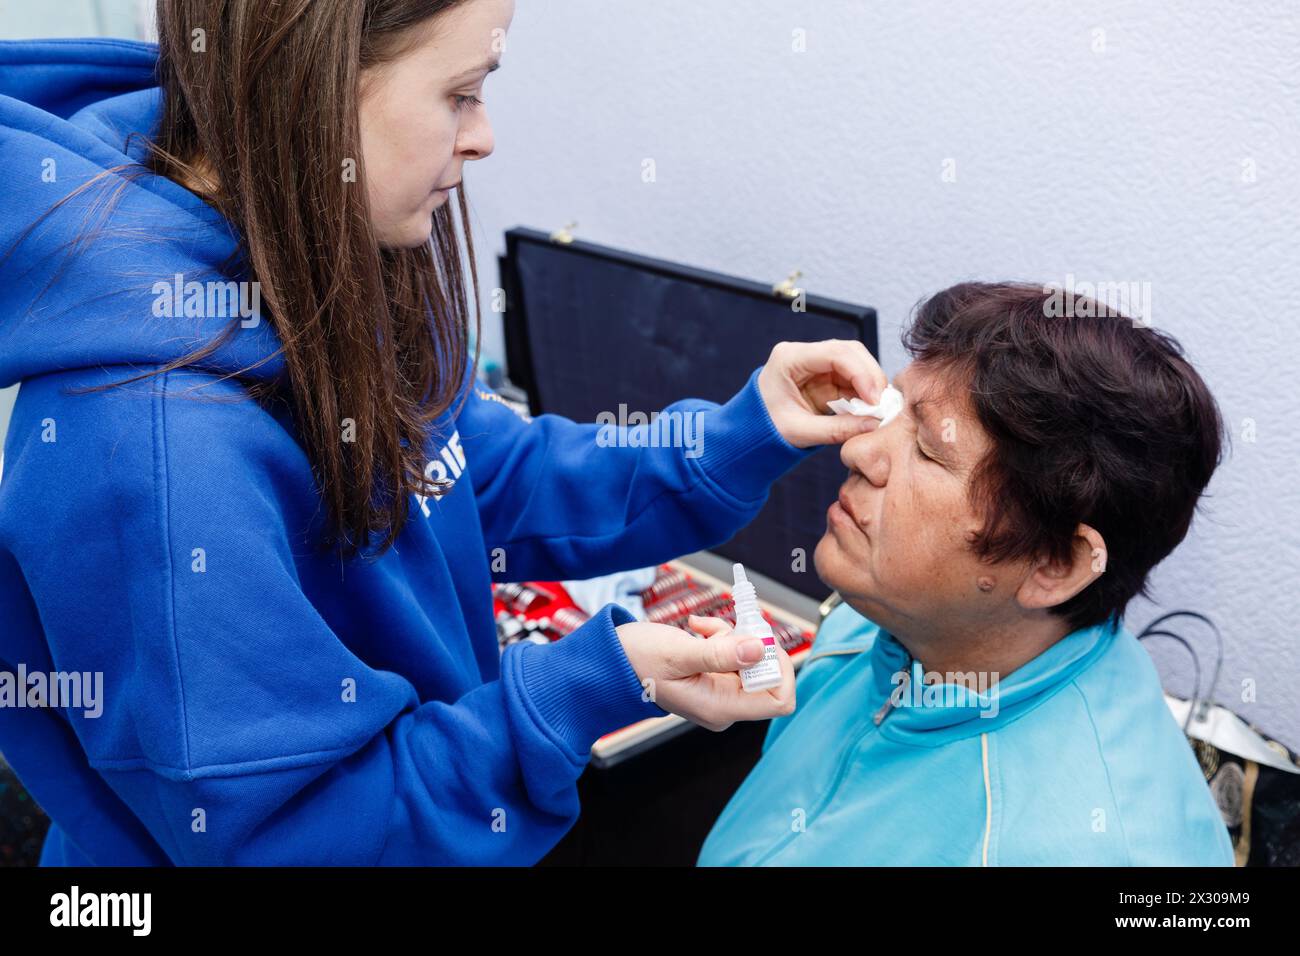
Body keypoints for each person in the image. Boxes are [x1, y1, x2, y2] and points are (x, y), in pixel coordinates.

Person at [0, 0, 888, 865]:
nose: (484, 134)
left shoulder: (329, 247)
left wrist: (737, 437)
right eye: (461, 92)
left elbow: (475, 471)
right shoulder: (151, 458)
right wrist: (580, 689)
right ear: (309, 83)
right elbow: (308, 832)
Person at [697, 282, 1236, 866]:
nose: (858, 452)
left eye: (928, 451)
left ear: (1056, 564)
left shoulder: (1075, 850)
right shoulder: (879, 625)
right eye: (893, 412)